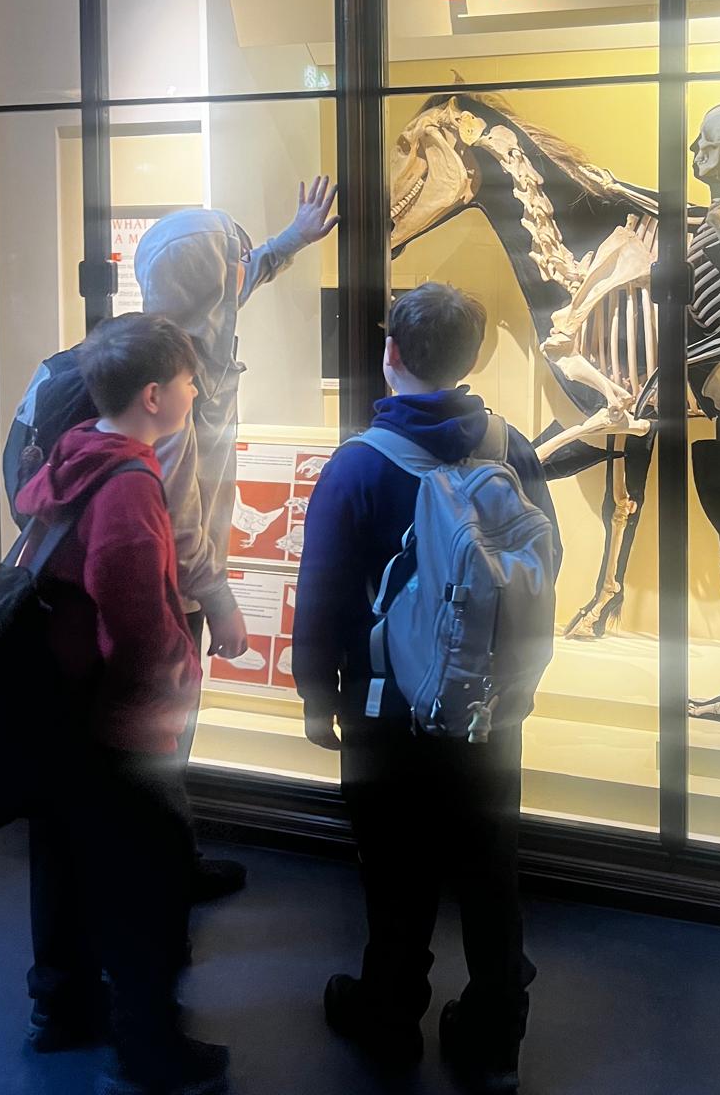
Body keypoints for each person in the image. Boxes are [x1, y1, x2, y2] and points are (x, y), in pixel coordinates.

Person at [293, 282, 561, 1095]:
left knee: (394, 871)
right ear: (473, 358)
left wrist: (317, 695)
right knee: (491, 867)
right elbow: (542, 568)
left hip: (387, 710)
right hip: (490, 707)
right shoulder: (514, 449)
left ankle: (389, 1015)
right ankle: (494, 1036)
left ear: (391, 355)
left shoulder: (357, 465)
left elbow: (323, 595)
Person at [16, 313, 228, 1095]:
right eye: (187, 382)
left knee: (77, 867)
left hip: (69, 712)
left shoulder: (79, 453)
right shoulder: (133, 487)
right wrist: (170, 692)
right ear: (153, 397)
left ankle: (70, 1012)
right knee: (149, 884)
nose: (195, 392)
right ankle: (147, 1052)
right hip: (121, 725)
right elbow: (135, 620)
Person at [134, 178, 338, 899]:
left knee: (161, 731)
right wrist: (216, 598)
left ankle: (155, 865)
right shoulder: (166, 378)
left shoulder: (187, 325)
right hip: (167, 587)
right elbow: (174, 509)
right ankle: (161, 875)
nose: (243, 268)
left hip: (171, 583)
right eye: (232, 259)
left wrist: (293, 236)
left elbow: (247, 274)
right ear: (209, 282)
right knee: (162, 735)